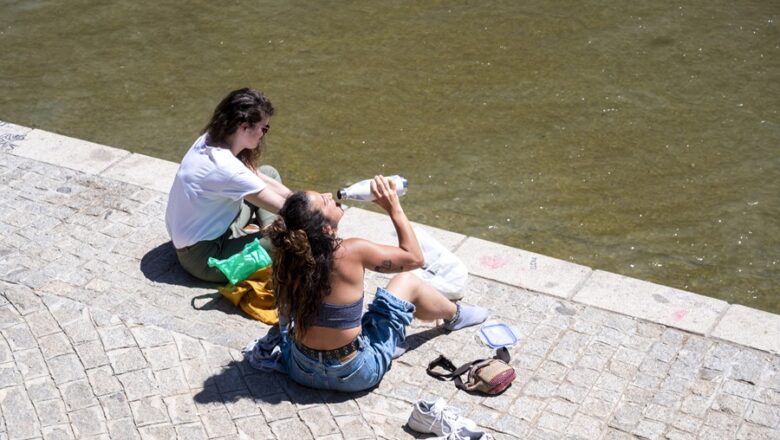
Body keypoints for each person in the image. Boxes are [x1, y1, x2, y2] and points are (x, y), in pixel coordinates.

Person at [265, 175, 489, 392]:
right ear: (326, 229)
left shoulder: (288, 256)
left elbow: (285, 312)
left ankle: (387, 343)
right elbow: (415, 258)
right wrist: (393, 207)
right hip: (356, 373)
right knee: (406, 281)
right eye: (324, 201)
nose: (327, 194)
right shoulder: (351, 251)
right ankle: (455, 316)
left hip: (300, 370)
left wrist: (287, 339)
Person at [165, 88, 293, 282]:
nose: (263, 134)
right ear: (244, 127)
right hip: (204, 258)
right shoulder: (226, 168)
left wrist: (297, 198)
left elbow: (257, 177)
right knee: (290, 240)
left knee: (269, 172)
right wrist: (317, 208)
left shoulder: (210, 139)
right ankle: (270, 234)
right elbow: (289, 210)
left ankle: (268, 228)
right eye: (264, 128)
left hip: (216, 227)